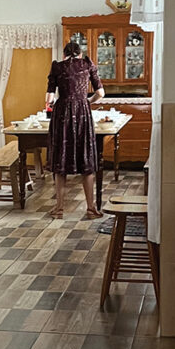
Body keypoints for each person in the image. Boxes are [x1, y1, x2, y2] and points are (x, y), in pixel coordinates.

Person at [45, 42, 106, 219]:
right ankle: (91, 208)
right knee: (86, 159)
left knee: (60, 161)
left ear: (64, 54)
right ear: (80, 54)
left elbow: (49, 98)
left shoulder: (57, 66)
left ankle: (59, 209)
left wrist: (53, 100)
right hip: (82, 113)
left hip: (62, 114)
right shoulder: (88, 64)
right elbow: (101, 93)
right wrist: (88, 101)